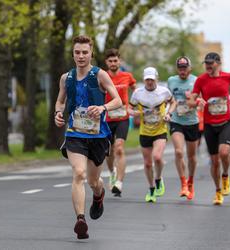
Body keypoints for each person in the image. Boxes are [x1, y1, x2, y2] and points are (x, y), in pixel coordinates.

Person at [54, 35, 122, 239]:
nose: (81, 56)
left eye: (85, 52)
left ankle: (99, 196)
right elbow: (60, 102)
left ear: (91, 53)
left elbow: (117, 100)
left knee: (93, 181)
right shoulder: (67, 78)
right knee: (79, 173)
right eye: (77, 52)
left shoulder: (100, 75)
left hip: (97, 135)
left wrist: (102, 107)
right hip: (75, 133)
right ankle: (80, 220)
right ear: (73, 53)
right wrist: (58, 114)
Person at [187, 52, 230, 205]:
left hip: (225, 122)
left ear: (218, 63)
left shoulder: (228, 77)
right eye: (206, 63)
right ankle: (218, 192)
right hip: (209, 125)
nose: (207, 66)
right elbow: (191, 101)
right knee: (214, 161)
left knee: (224, 152)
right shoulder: (201, 80)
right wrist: (197, 101)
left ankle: (225, 175)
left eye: (210, 63)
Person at [128, 67, 175, 203]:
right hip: (145, 131)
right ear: (144, 79)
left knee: (157, 157)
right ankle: (151, 188)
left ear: (156, 79)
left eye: (152, 79)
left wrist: (168, 114)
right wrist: (133, 113)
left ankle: (158, 179)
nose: (149, 82)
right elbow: (129, 108)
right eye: (147, 79)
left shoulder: (163, 91)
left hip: (160, 130)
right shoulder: (138, 93)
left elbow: (173, 102)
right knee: (148, 163)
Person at [104, 48, 136, 197]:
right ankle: (112, 172)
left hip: (123, 118)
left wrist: (132, 106)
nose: (113, 63)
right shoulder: (102, 77)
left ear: (119, 61)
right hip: (107, 119)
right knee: (109, 152)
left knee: (119, 148)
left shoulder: (127, 76)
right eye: (110, 61)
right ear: (106, 63)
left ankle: (119, 183)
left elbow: (136, 92)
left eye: (115, 60)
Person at [167, 56, 199, 200]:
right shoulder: (171, 81)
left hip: (192, 122)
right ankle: (183, 184)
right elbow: (168, 99)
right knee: (179, 152)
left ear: (189, 68)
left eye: (185, 68)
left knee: (191, 156)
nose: (182, 71)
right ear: (177, 69)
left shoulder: (196, 80)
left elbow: (201, 100)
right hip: (176, 120)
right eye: (180, 68)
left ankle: (191, 181)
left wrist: (193, 100)